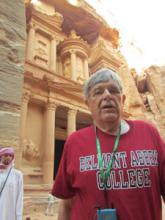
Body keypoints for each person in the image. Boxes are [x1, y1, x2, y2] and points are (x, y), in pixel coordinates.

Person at [51, 68, 165, 220]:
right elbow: (66, 204)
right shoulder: (74, 142)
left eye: (113, 90)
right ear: (88, 103)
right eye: (98, 92)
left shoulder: (149, 133)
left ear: (122, 99)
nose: (107, 95)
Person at [0, 147, 23, 220]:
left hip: (10, 214)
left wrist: (19, 216)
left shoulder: (18, 175)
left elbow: (20, 197)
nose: (8, 157)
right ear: (1, 156)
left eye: (10, 156)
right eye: (6, 155)